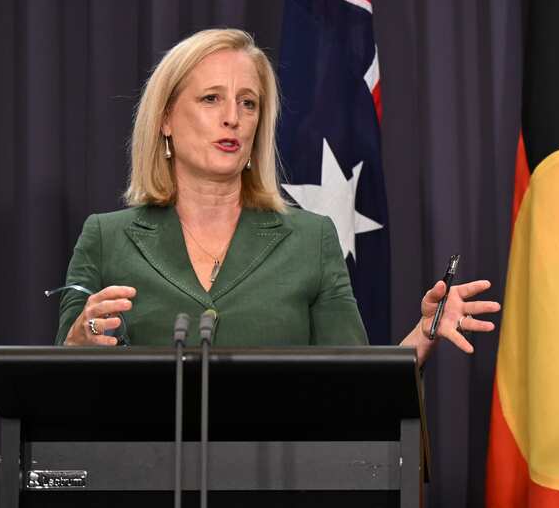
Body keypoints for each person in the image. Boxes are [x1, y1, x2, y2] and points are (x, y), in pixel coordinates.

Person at [54, 28, 498, 359]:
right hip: (146, 478)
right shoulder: (106, 239)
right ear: (166, 118)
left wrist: (423, 333)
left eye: (248, 103)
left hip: (277, 481)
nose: (233, 117)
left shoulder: (311, 240)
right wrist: (78, 343)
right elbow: (53, 391)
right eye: (211, 99)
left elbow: (357, 386)